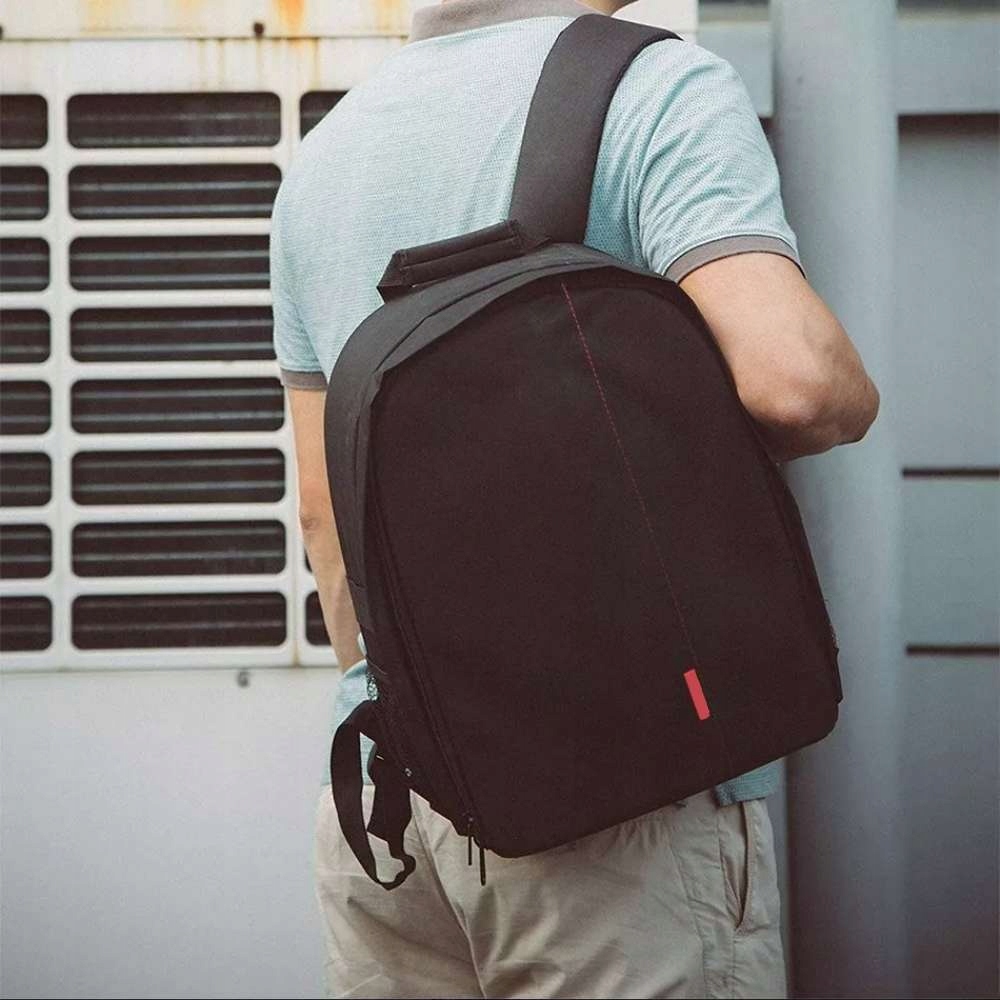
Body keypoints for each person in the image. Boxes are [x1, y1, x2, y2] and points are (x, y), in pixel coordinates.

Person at [270, 1, 880, 996]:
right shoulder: (651, 86)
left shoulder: (324, 158)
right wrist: (860, 394)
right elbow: (798, 385)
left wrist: (437, 715)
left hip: (392, 808)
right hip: (615, 804)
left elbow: (324, 514)